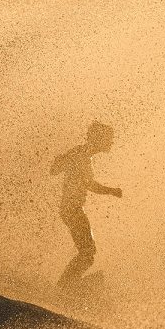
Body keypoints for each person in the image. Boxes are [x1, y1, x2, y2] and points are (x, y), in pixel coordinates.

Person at [51, 122, 121, 290]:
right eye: (108, 139)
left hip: (72, 208)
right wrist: (112, 191)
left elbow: (58, 169)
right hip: (71, 209)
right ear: (99, 139)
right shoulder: (80, 154)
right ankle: (64, 287)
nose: (111, 142)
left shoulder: (84, 155)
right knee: (87, 252)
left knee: (88, 252)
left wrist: (61, 161)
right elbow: (89, 184)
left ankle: (66, 285)